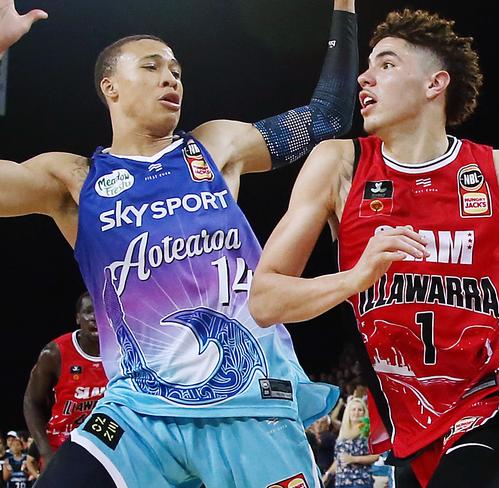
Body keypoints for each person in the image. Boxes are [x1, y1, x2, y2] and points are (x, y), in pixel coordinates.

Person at [249, 8, 499, 488]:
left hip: (493, 402)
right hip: (406, 420)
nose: (364, 76)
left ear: (434, 84)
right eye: (369, 64)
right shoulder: (338, 164)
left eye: (387, 64)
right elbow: (266, 300)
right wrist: (355, 278)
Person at [0, 0, 359, 485]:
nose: (170, 78)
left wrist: (343, 6)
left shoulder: (216, 147)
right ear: (111, 87)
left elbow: (327, 118)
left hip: (250, 403)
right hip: (137, 412)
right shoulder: (75, 180)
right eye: (151, 67)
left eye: (176, 70)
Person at [23, 291, 108, 471]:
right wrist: (45, 452)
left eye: (101, 311)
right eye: (89, 312)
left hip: (104, 443)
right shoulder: (54, 353)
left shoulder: (124, 350)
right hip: (62, 442)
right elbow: (32, 402)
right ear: (78, 318)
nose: (95, 317)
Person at [323, 397, 379, 488]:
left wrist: (354, 459)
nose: (356, 412)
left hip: (360, 481)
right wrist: (327, 474)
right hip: (341, 481)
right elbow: (339, 459)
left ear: (364, 412)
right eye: (353, 409)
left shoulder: (368, 430)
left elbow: (376, 456)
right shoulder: (343, 431)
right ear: (348, 412)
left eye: (360, 410)